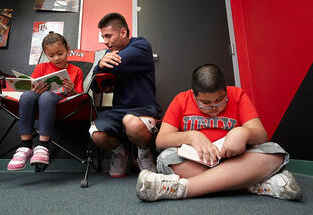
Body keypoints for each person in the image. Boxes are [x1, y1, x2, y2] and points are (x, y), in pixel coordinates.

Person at [136, 64, 302, 201]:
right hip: (197, 160)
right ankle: (252, 183)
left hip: (237, 158)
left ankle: (180, 188)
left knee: (274, 153)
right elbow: (161, 141)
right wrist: (192, 136)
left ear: (225, 90)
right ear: (194, 96)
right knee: (167, 159)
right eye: (205, 103)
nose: (214, 107)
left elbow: (261, 135)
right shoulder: (181, 100)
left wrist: (242, 132)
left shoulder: (237, 95)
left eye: (220, 100)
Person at [89, 12, 162, 177]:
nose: (105, 42)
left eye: (108, 36)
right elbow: (95, 85)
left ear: (123, 32)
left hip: (145, 109)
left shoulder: (141, 46)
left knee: (132, 123)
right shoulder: (109, 55)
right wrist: (100, 67)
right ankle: (122, 153)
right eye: (103, 37)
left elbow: (117, 63)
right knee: (96, 133)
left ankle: (144, 154)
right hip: (119, 110)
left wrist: (101, 65)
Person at [7, 32, 84, 170]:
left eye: (60, 53)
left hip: (63, 107)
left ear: (68, 49)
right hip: (40, 107)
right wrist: (35, 90)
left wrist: (71, 90)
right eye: (51, 55)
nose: (56, 58)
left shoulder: (76, 71)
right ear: (46, 54)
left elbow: (78, 97)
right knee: (27, 96)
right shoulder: (42, 67)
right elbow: (31, 87)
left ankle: (43, 145)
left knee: (47, 96)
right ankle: (25, 145)